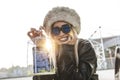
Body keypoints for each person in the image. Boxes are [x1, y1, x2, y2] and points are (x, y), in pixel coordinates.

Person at [28, 6, 99, 80]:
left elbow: (81, 77)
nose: (61, 33)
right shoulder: (50, 50)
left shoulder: (84, 46)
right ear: (52, 34)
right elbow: (42, 78)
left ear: (73, 29)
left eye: (66, 28)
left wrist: (67, 47)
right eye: (56, 30)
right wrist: (41, 48)